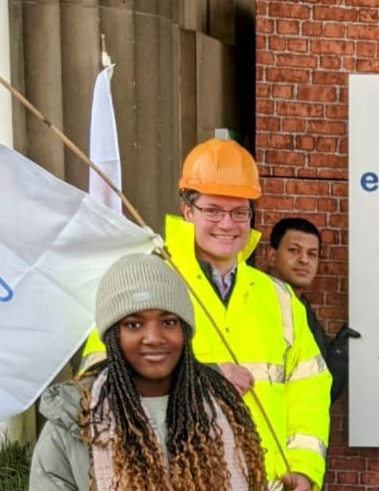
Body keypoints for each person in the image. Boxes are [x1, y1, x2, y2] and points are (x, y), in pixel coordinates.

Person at [82, 139, 331, 491]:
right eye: (213, 210)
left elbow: (311, 390)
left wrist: (304, 470)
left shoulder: (278, 297)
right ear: (188, 211)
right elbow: (101, 384)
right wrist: (205, 378)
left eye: (239, 212)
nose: (227, 224)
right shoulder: (147, 284)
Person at [30, 253, 266, 490]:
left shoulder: (224, 408)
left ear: (185, 330)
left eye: (169, 322)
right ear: (113, 336)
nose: (154, 338)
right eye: (134, 324)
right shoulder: (72, 420)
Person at [266, 216, 360, 401]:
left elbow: (321, 390)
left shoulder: (301, 308)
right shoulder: (259, 302)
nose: (304, 260)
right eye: (294, 251)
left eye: (312, 254)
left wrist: (340, 353)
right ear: (272, 256)